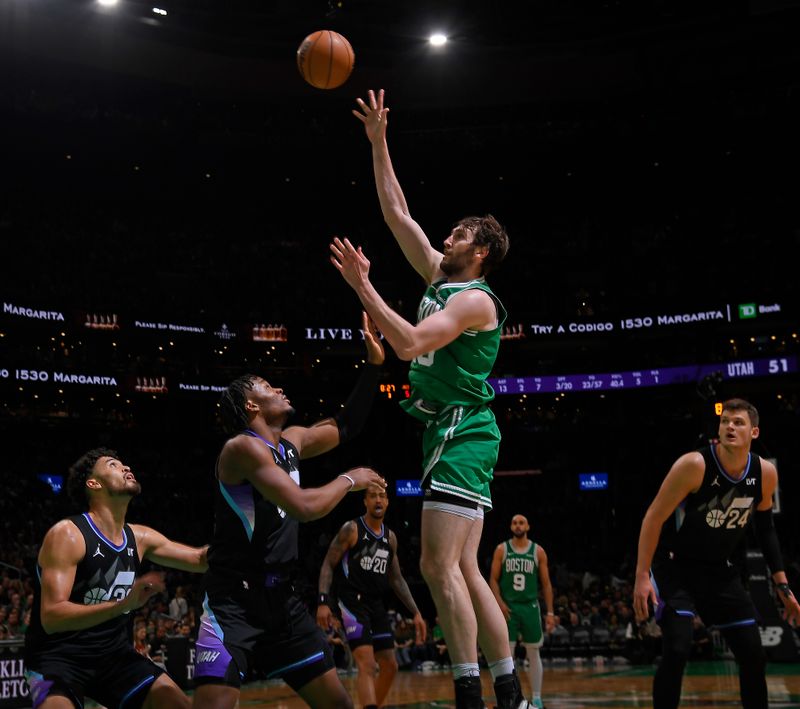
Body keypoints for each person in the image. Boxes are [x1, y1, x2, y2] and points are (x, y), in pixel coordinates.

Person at [331, 88, 521, 709]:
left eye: (460, 232)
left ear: (481, 250)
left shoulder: (474, 301)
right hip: (451, 428)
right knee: (462, 570)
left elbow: (411, 343)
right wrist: (379, 142)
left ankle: (471, 689)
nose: (447, 234)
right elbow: (396, 213)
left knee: (440, 568)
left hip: (466, 428)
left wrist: (365, 287)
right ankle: (509, 690)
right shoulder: (441, 274)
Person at [192, 313, 388, 709]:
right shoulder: (241, 448)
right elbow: (303, 506)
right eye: (267, 386)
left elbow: (345, 425)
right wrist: (351, 479)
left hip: (283, 602)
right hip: (234, 603)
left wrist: (374, 365)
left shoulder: (292, 442)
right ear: (251, 405)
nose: (279, 387)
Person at [633, 398, 800, 709]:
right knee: (679, 648)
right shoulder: (694, 465)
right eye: (725, 422)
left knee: (753, 653)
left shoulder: (765, 473)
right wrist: (642, 575)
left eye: (738, 422)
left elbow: (765, 531)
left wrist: (783, 586)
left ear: (754, 432)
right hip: (675, 568)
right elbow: (653, 517)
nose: (730, 427)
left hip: (719, 572)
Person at [24, 448, 209, 709]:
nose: (124, 467)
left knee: (175, 703)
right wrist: (123, 605)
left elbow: (201, 560)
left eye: (124, 464)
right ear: (94, 483)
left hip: (115, 658)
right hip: (57, 659)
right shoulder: (68, 534)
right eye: (113, 465)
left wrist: (243, 530)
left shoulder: (140, 537)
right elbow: (52, 618)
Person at [317, 483, 426, 708]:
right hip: (351, 603)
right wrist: (322, 601)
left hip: (376, 604)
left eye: (382, 496)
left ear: (387, 502)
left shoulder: (391, 538)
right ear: (365, 502)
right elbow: (328, 563)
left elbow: (396, 579)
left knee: (390, 665)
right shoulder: (352, 529)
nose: (378, 500)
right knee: (367, 664)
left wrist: (416, 612)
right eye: (373, 496)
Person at [490, 515, 554, 709]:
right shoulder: (502, 549)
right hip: (508, 607)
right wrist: (499, 602)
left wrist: (550, 613)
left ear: (528, 526)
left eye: (521, 522)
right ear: (511, 527)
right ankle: (509, 697)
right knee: (506, 654)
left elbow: (546, 584)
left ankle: (536, 698)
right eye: (515, 523)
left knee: (533, 653)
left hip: (530, 607)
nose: (518, 525)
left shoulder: (538, 551)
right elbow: (493, 580)